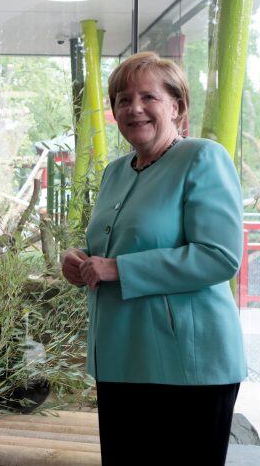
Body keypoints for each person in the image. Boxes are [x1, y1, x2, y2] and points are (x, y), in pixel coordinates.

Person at [61, 51, 246, 465]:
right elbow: (112, 247)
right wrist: (81, 259)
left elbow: (218, 257)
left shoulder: (202, 157)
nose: (134, 108)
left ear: (177, 107)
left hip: (188, 366)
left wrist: (118, 269)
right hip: (120, 357)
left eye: (149, 97)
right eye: (123, 99)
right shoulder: (116, 171)